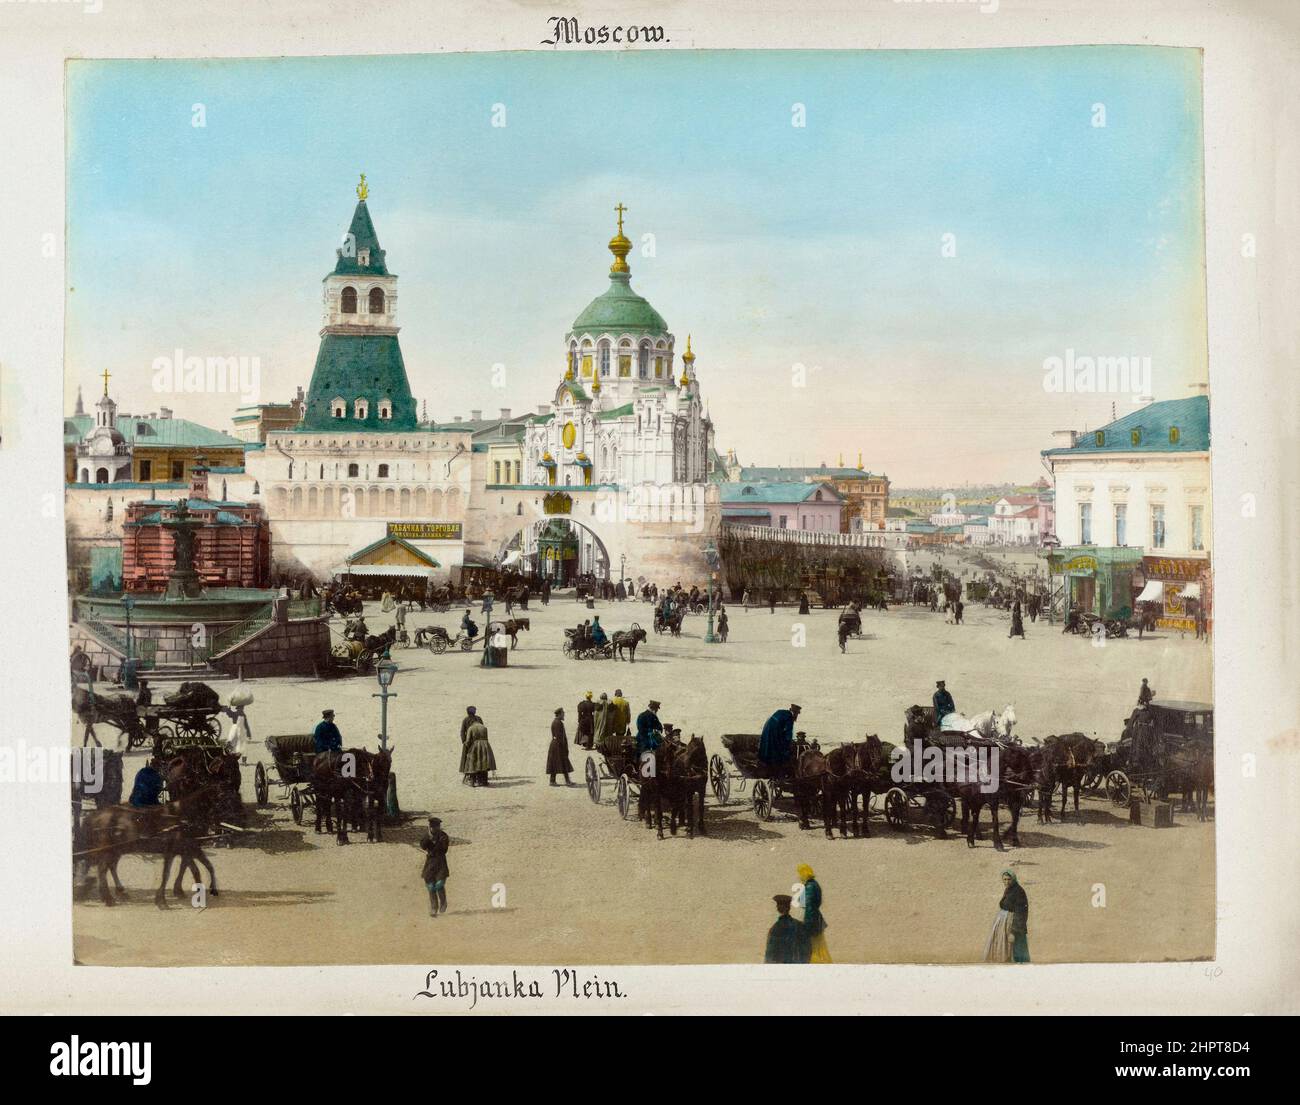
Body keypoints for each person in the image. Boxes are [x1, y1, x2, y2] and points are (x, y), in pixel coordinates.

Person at [983, 869, 1030, 963]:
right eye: (1004, 879)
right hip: (1003, 924)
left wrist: (1013, 932)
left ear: (1013, 879)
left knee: (1012, 951)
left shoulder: (1018, 891)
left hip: (1012, 925)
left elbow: (1021, 913)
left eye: (1009, 879)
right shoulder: (1009, 889)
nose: (1007, 882)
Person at [797, 864, 831, 963]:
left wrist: (807, 925)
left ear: (804, 873)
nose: (799, 876)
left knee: (814, 948)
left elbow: (808, 906)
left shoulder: (809, 886)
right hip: (816, 919)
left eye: (800, 873)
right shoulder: (814, 884)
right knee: (819, 947)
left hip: (812, 921)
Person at [764, 894, 812, 964]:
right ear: (789, 907)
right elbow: (808, 948)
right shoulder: (800, 925)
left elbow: (770, 956)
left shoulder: (775, 928)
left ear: (777, 908)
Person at [420, 816, 450, 917]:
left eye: (436, 827)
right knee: (431, 887)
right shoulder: (427, 836)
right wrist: (429, 839)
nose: (434, 829)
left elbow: (444, 849)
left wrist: (434, 842)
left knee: (439, 885)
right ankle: (434, 908)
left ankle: (443, 902)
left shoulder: (443, 836)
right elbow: (423, 846)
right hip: (430, 864)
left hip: (441, 863)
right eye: (432, 827)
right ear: (430, 827)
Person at [460, 712, 496, 787]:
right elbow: (486, 738)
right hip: (485, 746)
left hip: (475, 746)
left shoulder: (471, 728)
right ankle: (483, 781)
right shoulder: (484, 727)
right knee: (484, 762)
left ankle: (472, 781)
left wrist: (466, 745)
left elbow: (468, 740)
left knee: (471, 762)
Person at [547, 707, 574, 785]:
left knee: (555, 762)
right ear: (559, 714)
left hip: (555, 745)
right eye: (563, 713)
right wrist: (564, 747)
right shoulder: (558, 723)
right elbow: (560, 737)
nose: (564, 715)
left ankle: (553, 781)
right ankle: (567, 781)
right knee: (563, 761)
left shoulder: (555, 722)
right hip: (558, 746)